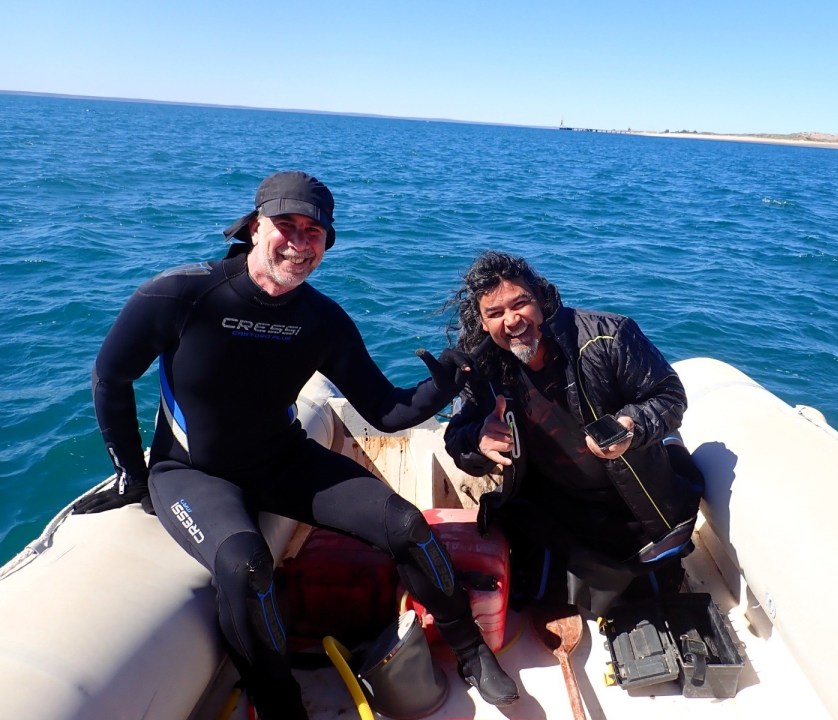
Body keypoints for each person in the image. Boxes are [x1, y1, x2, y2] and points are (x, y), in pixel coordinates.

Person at [72, 172, 518, 718]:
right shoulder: (182, 294)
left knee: (405, 524)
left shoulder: (321, 320)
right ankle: (280, 704)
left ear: (327, 242)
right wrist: (130, 472)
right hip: (191, 472)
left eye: (315, 232)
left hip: (282, 460)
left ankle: (470, 649)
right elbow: (110, 376)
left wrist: (442, 385)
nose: (300, 243)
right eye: (287, 225)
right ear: (255, 227)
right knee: (246, 566)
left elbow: (386, 412)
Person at [443, 251, 704, 617]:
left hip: (636, 503)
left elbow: (670, 396)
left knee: (652, 595)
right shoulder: (483, 368)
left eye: (520, 303)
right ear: (484, 324)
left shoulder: (608, 336)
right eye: (496, 313)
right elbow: (457, 438)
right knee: (535, 601)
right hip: (555, 506)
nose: (512, 320)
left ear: (540, 299)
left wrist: (631, 427)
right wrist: (478, 439)